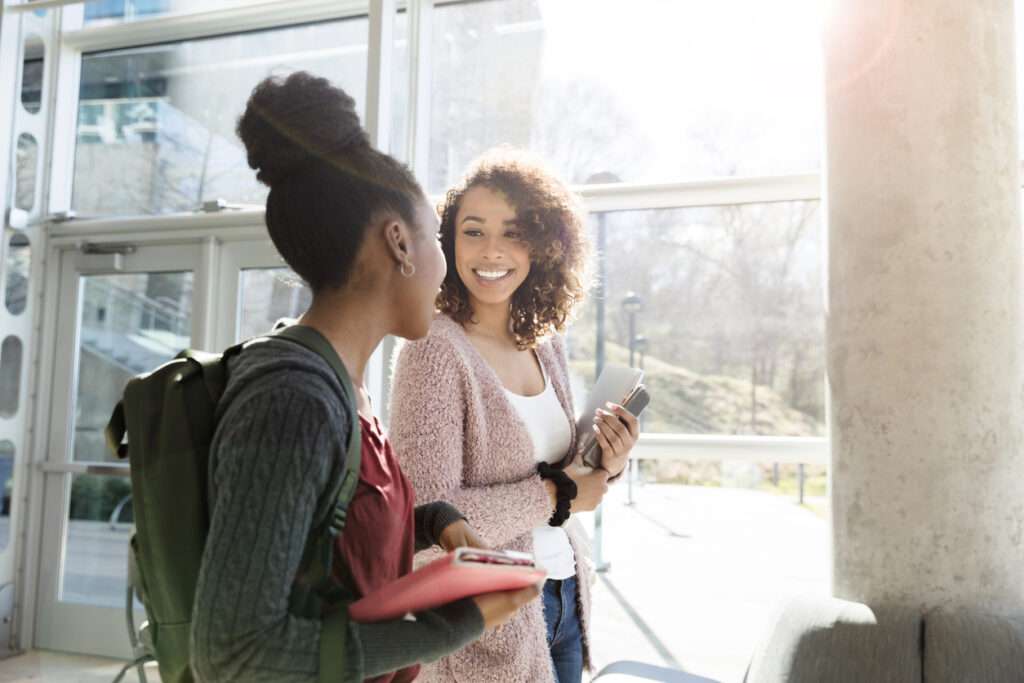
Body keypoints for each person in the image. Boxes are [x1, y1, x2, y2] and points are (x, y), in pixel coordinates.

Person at [190, 74, 538, 683]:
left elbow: (329, 538)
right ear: (398, 243)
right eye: (435, 237)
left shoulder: (342, 386)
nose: (443, 267)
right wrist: (458, 624)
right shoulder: (292, 398)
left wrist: (432, 521)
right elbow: (232, 653)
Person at [389, 149, 640, 683]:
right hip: (487, 622)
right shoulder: (433, 350)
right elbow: (426, 519)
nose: (492, 251)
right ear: (447, 242)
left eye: (513, 232)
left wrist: (607, 460)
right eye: (473, 232)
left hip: (566, 597)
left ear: (543, 246)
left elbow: (566, 469)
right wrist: (557, 494)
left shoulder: (544, 344)